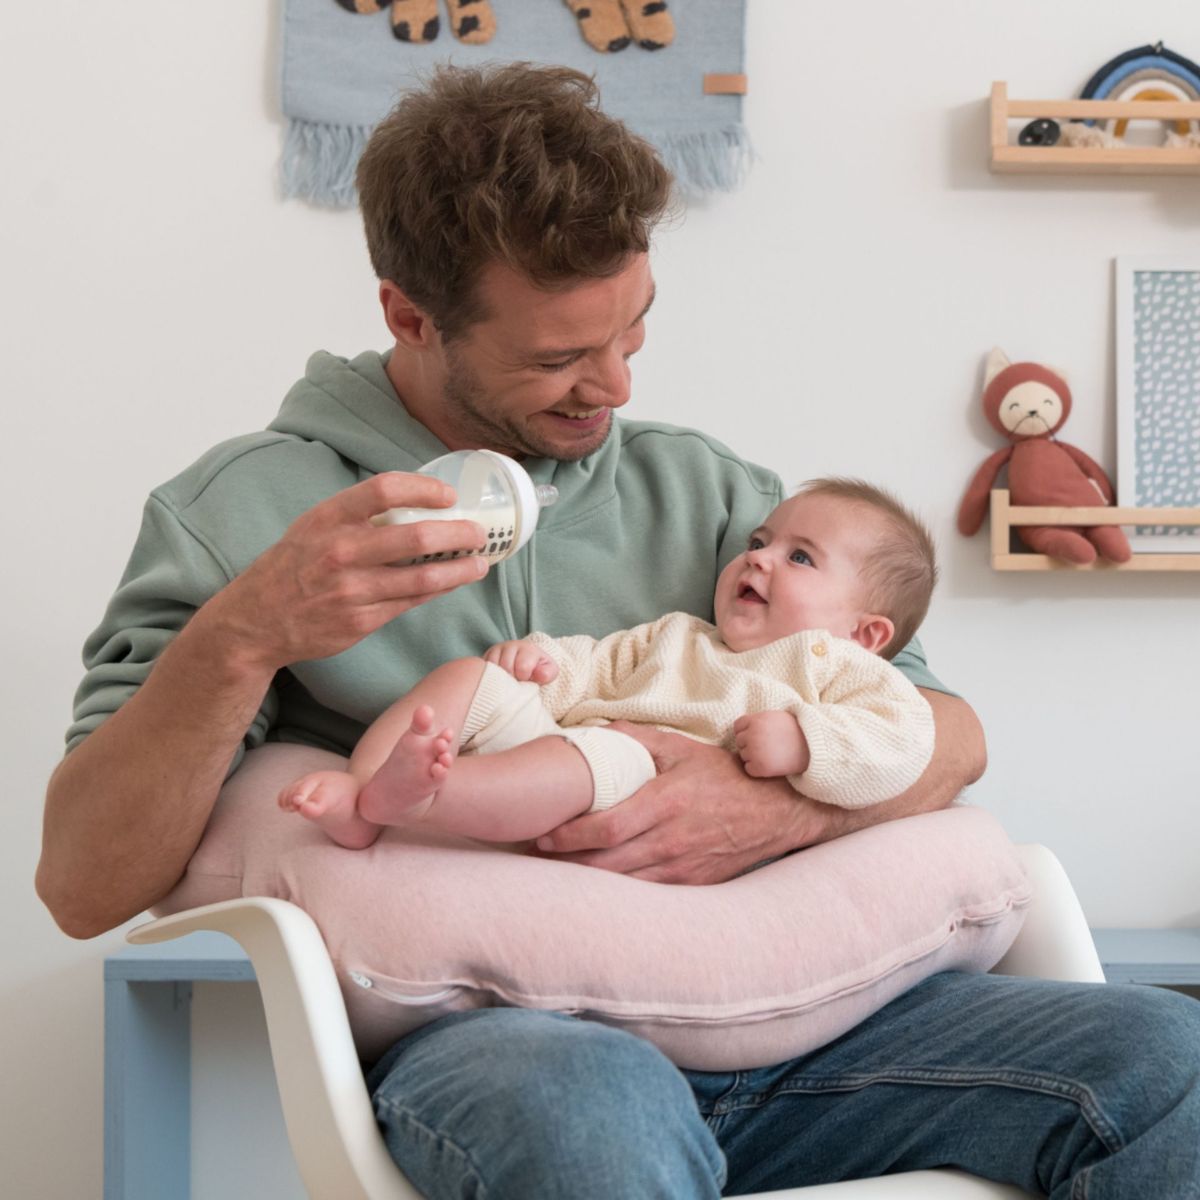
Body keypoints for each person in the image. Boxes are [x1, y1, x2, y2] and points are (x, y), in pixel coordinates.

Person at [37, 63, 1199, 1199]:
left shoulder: (712, 495)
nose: (615, 389)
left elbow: (941, 731)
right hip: (511, 1041)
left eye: (634, 333)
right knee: (590, 1124)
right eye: (559, 357)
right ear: (410, 314)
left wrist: (768, 805)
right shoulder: (242, 515)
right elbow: (86, 884)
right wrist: (242, 637)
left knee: (1171, 1064)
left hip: (822, 1027)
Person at [278, 479, 939, 849]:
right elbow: (595, 665)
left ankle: (424, 801)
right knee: (468, 677)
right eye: (759, 542)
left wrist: (805, 742)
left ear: (865, 631)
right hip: (562, 747)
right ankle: (365, 798)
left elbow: (905, 740)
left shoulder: (839, 670)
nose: (759, 558)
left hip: (645, 778)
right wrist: (534, 663)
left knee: (605, 754)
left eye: (800, 558)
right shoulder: (682, 634)